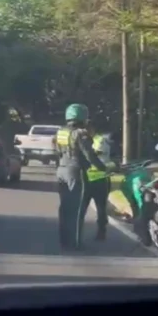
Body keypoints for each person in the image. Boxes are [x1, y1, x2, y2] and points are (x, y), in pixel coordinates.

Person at [54, 103, 108, 249]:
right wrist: (103, 168)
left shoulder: (61, 132)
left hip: (61, 170)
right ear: (83, 117)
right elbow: (89, 155)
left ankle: (64, 240)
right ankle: (75, 243)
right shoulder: (80, 133)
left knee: (64, 207)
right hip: (75, 171)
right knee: (77, 209)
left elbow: (56, 151)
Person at [85, 124, 114, 240]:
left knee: (101, 208)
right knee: (81, 208)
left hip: (100, 179)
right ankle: (76, 233)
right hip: (86, 179)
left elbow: (93, 155)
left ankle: (102, 231)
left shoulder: (99, 140)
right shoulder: (84, 140)